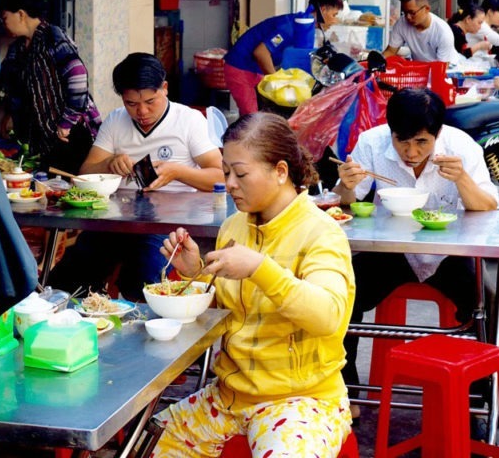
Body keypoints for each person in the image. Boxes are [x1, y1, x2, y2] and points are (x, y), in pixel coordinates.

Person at [151, 113, 355, 458]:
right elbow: (225, 314)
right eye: (226, 172)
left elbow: (329, 317)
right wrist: (195, 274)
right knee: (147, 442)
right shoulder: (233, 227)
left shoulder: (321, 233)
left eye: (240, 174)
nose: (230, 183)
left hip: (301, 401)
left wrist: (261, 268)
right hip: (229, 395)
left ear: (280, 171)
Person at [335, 88, 497, 398]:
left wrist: (462, 179)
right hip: (389, 252)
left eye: (422, 142)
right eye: (402, 141)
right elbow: (343, 204)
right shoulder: (371, 143)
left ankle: (478, 399)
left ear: (438, 134)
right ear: (391, 133)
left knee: (485, 302)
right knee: (339, 293)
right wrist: (346, 184)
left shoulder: (462, 147)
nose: (411, 152)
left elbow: (487, 207)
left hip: (447, 254)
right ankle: (345, 394)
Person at [48, 53, 223, 300]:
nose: (142, 111)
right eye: (131, 103)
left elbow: (221, 178)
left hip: (167, 225)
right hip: (115, 221)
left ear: (165, 88)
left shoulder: (189, 120)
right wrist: (108, 163)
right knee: (67, 281)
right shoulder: (116, 120)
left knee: (143, 284)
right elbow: (85, 173)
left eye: (150, 101)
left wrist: (178, 172)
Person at [0, 0, 101, 173]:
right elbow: (13, 87)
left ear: (21, 14)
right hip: (45, 137)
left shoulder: (53, 38)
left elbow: (78, 77)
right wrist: (9, 115)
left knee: (74, 181)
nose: (3, 24)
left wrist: (67, 122)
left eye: (4, 18)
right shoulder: (17, 49)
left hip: (70, 133)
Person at [223, 0, 344, 116]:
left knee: (264, 115)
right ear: (323, 10)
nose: (335, 21)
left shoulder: (305, 27)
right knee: (251, 116)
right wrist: (278, 81)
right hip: (239, 67)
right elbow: (261, 53)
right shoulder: (290, 27)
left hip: (256, 70)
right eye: (334, 15)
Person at [384, 0, 457, 63]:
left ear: (427, 9)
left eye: (412, 13)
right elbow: (391, 51)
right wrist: (377, 63)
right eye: (405, 12)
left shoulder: (443, 32)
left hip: (448, 67)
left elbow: (442, 66)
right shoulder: (402, 23)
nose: (408, 17)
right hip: (419, 66)